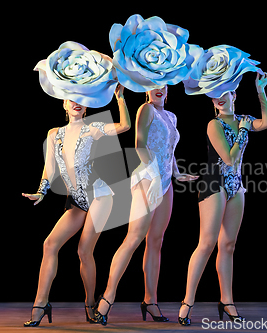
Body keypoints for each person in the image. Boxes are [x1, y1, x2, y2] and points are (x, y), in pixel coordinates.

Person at [21, 85, 130, 327]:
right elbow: (49, 167)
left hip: (100, 195)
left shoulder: (92, 129)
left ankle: (90, 303)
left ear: (87, 105)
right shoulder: (54, 134)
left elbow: (124, 126)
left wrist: (120, 98)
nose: (77, 103)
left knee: (83, 250)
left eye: (82, 100)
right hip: (76, 200)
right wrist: (41, 191)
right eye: (72, 99)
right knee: (49, 244)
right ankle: (41, 303)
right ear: (64, 103)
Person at [94, 86, 198, 325]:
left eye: (163, 85)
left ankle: (150, 300)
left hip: (165, 182)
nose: (159, 89)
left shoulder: (171, 116)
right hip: (146, 179)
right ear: (146, 90)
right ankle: (107, 298)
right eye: (153, 85)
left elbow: (169, 150)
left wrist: (178, 174)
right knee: (133, 238)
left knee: (156, 242)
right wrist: (152, 175)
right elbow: (140, 144)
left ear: (168, 88)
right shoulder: (145, 109)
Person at [178, 73, 267, 326]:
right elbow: (229, 158)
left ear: (234, 96)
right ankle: (187, 302)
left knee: (228, 245)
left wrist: (260, 90)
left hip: (235, 186)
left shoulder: (243, 119)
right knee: (207, 244)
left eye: (225, 93)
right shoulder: (214, 125)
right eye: (215, 96)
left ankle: (227, 301)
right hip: (213, 183)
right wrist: (242, 132)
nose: (219, 98)